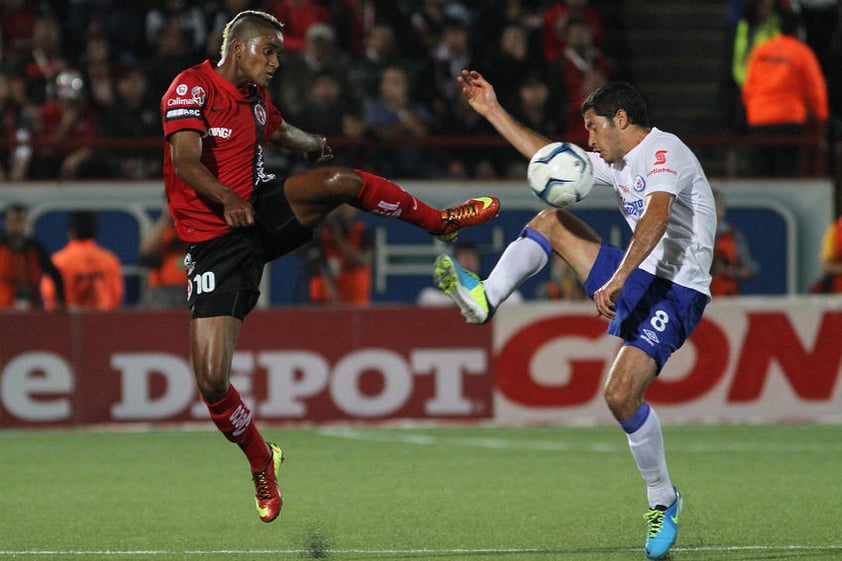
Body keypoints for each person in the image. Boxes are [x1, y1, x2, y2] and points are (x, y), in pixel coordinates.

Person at [161, 10, 499, 525]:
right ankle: (260, 457)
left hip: (258, 209)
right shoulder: (191, 87)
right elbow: (186, 161)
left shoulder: (255, 99)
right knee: (211, 381)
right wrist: (226, 197)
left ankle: (440, 222)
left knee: (340, 180)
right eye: (269, 51)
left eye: (278, 53)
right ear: (240, 46)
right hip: (215, 244)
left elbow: (278, 130)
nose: (276, 62)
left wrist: (311, 144)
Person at [434, 70, 716, 560]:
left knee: (621, 396)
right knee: (550, 220)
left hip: (676, 289)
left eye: (592, 127)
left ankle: (663, 500)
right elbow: (551, 159)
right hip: (638, 272)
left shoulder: (663, 152)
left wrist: (620, 277)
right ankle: (485, 298)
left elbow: (656, 218)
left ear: (621, 119)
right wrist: (493, 111)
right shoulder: (620, 159)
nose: (587, 139)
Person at [741, 10, 829, 177]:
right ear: (799, 30)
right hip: (789, 122)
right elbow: (816, 89)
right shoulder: (802, 53)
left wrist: (752, 110)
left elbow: (748, 86)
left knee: (761, 173)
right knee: (788, 174)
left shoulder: (761, 51)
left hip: (759, 121)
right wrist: (821, 118)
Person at [41, 210, 124, 311]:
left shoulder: (58, 260)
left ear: (70, 231)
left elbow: (50, 297)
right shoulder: (110, 260)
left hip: (69, 323)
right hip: (102, 322)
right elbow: (116, 295)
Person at [0, 202, 65, 311]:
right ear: (5, 223)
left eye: (21, 221)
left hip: (31, 310)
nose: (17, 226)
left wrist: (59, 300)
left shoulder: (36, 249)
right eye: (13, 221)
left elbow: (55, 274)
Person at [419, 242, 523, 306]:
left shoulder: (490, 286)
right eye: (463, 258)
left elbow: (514, 299)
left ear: (479, 263)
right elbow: (427, 299)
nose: (468, 262)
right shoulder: (437, 291)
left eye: (472, 258)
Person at [307, 204, 373, 305]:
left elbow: (363, 261)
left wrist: (339, 240)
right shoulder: (324, 234)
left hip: (356, 299)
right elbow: (315, 260)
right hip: (330, 299)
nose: (342, 209)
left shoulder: (361, 230)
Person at [709, 189, 758, 296]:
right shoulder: (689, 234)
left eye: (717, 206)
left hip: (726, 297)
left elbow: (750, 268)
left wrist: (728, 271)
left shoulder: (733, 236)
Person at [138, 207, 188, 309]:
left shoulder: (195, 227)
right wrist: (166, 217)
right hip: (161, 290)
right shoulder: (163, 230)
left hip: (192, 287)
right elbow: (146, 251)